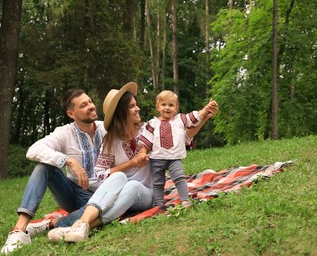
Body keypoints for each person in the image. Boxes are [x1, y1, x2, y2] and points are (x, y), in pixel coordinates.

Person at [46, 82, 218, 243]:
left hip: (146, 194)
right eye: (132, 106)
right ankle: (82, 226)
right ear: (121, 112)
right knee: (120, 176)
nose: (138, 108)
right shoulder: (110, 141)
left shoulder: (148, 129)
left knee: (133, 185)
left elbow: (185, 137)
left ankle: (78, 224)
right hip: (118, 195)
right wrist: (131, 164)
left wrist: (205, 117)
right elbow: (99, 174)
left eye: (136, 104)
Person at [0, 89, 107, 254]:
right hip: (72, 193)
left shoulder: (105, 128)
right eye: (84, 105)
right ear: (71, 113)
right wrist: (69, 160)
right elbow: (34, 150)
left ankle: (49, 225)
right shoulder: (65, 132)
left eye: (90, 102)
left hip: (101, 197)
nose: (91, 107)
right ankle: (19, 230)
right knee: (44, 167)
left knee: (109, 209)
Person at [138, 90, 217, 207]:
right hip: (156, 159)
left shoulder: (180, 120)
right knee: (157, 183)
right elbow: (147, 140)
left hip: (174, 158)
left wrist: (206, 109)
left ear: (176, 108)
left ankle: (185, 200)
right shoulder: (152, 123)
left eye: (171, 105)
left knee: (179, 178)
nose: (167, 108)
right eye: (163, 105)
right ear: (158, 107)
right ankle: (158, 204)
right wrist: (143, 152)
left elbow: (195, 117)